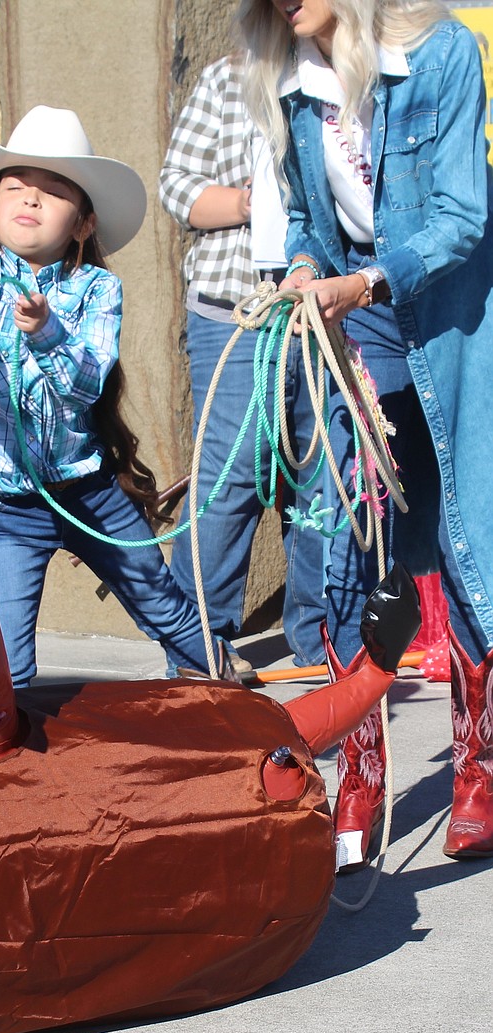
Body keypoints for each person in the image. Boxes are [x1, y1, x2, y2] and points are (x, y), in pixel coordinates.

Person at [240, 0, 493, 864]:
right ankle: (361, 769)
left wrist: (367, 283)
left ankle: (477, 767)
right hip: (360, 318)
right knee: (358, 535)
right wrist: (309, 264)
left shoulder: (442, 50)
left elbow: (463, 215)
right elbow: (311, 220)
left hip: (454, 316)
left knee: (463, 535)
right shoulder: (286, 78)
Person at [0, 106, 224, 688]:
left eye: (51, 193)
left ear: (83, 224)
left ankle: (216, 688)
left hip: (87, 491)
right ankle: (4, 757)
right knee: (7, 663)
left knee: (163, 604)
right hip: (3, 510)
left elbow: (84, 385)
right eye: (16, 188)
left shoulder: (98, 288)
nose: (29, 200)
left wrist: (46, 330)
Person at [160, 52, 327, 667]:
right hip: (235, 304)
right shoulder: (226, 75)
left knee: (328, 478)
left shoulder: (347, 75)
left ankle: (322, 637)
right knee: (228, 479)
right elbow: (177, 186)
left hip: (327, 306)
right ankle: (197, 648)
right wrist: (252, 201)